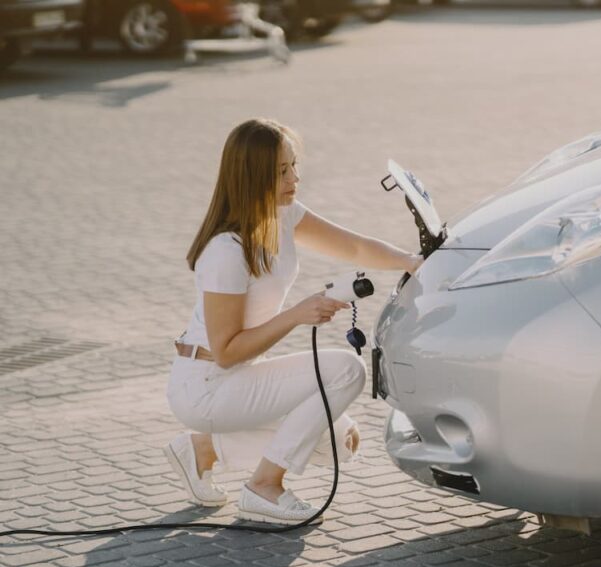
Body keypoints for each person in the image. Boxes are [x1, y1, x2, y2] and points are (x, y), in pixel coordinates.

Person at [164, 118, 422, 524]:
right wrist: (297, 315)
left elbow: (352, 245)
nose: (295, 178)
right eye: (282, 171)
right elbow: (227, 353)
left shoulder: (280, 214)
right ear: (253, 177)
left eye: (294, 165)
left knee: (339, 441)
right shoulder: (226, 251)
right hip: (205, 384)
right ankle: (264, 487)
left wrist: (411, 261)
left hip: (235, 377)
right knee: (346, 371)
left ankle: (203, 450)